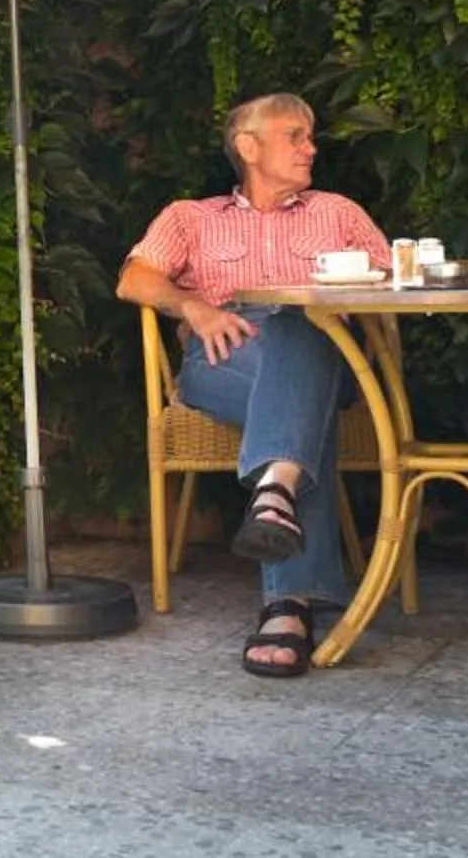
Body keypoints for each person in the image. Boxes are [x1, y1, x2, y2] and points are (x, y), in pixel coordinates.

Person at [115, 93, 392, 678]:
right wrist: (193, 306)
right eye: (295, 136)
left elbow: (396, 280)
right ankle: (285, 525)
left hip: (324, 355)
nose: (310, 148)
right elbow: (134, 278)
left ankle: (283, 589)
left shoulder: (339, 212)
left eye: (310, 137)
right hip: (222, 362)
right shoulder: (190, 217)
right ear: (248, 146)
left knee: (299, 329)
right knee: (300, 411)